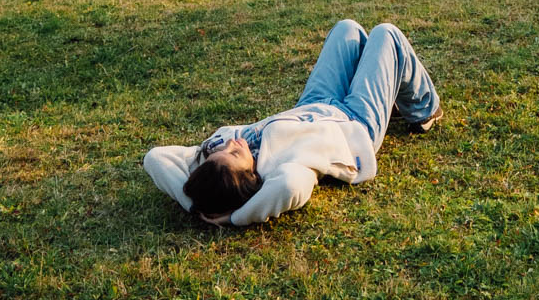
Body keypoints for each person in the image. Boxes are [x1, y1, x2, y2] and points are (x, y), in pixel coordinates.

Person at [142, 19, 442, 227]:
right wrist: (233, 217)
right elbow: (287, 188)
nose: (233, 143)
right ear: (250, 180)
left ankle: (386, 90)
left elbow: (155, 158)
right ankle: (424, 110)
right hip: (354, 122)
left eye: (222, 151)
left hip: (315, 104)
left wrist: (197, 207)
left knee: (347, 30)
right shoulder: (283, 172)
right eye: (235, 154)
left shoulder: (218, 160)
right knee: (386, 34)